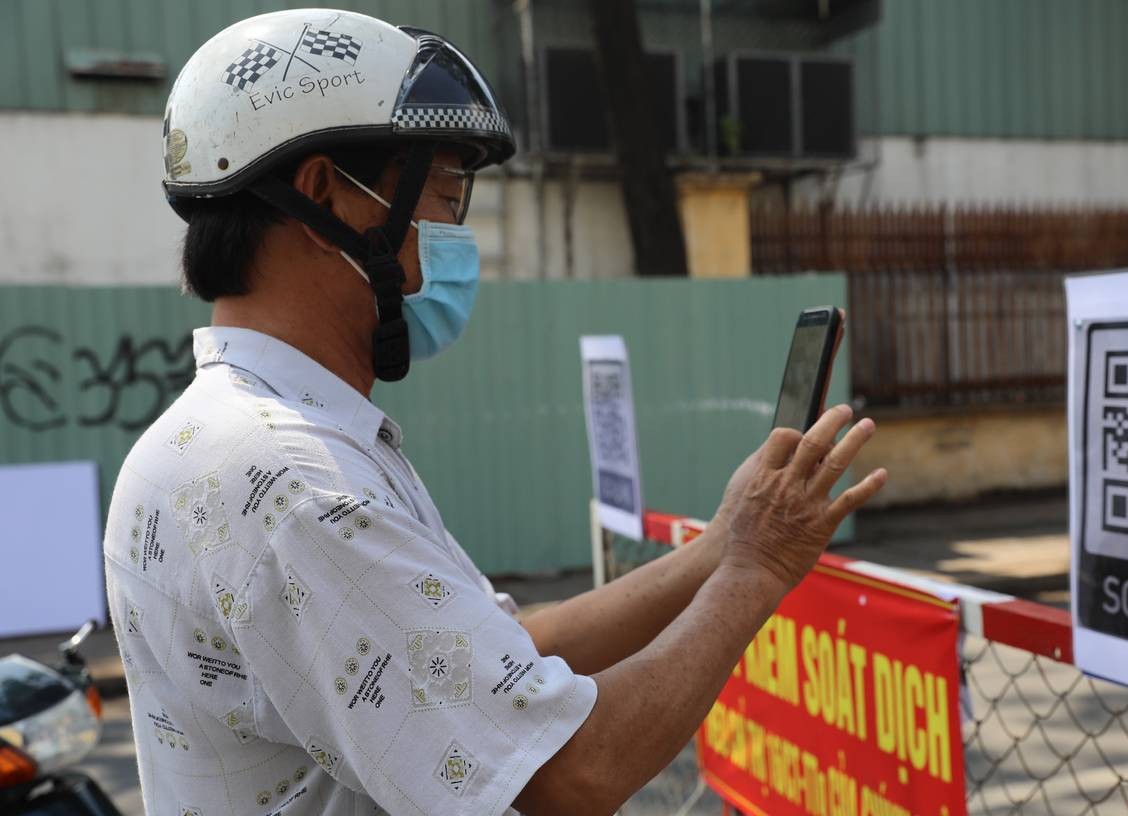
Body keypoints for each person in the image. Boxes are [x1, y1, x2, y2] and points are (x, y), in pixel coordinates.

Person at [103, 8, 887, 815]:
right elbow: (568, 774)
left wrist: (725, 543)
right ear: (325, 194)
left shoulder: (236, 438)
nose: (454, 235)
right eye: (444, 195)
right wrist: (757, 573)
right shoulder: (292, 483)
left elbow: (511, 657)